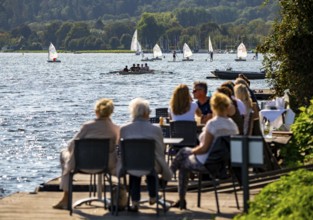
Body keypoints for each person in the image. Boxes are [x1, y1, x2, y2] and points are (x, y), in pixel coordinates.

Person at [170, 92, 239, 209]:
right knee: (184, 153)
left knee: (182, 160)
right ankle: (167, 180)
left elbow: (203, 148)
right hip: (224, 165)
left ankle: (178, 195)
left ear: (213, 106)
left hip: (207, 163)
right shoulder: (232, 125)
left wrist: (192, 152)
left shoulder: (213, 124)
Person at [53, 98, 120, 210]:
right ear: (111, 112)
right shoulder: (115, 129)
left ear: (96, 111)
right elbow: (116, 148)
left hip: (83, 165)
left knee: (64, 154)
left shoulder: (87, 126)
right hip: (105, 165)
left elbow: (72, 145)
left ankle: (66, 197)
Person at [119, 98, 173, 212]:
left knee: (134, 172)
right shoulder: (156, 129)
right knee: (151, 167)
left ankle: (135, 201)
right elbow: (161, 149)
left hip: (130, 164)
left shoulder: (124, 129)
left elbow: (121, 150)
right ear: (146, 113)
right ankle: (153, 196)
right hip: (150, 164)